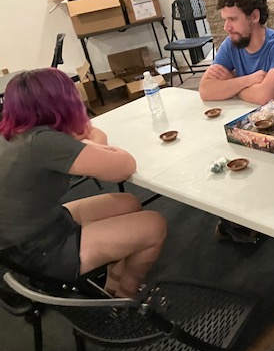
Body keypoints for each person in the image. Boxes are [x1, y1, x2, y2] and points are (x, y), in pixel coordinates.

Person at [0, 69, 167, 298]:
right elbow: (124, 166)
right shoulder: (44, 143)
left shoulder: (16, 131)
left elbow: (92, 136)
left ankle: (111, 287)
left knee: (128, 202)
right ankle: (124, 299)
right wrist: (92, 145)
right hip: (37, 251)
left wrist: (88, 144)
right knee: (154, 225)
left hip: (29, 232)